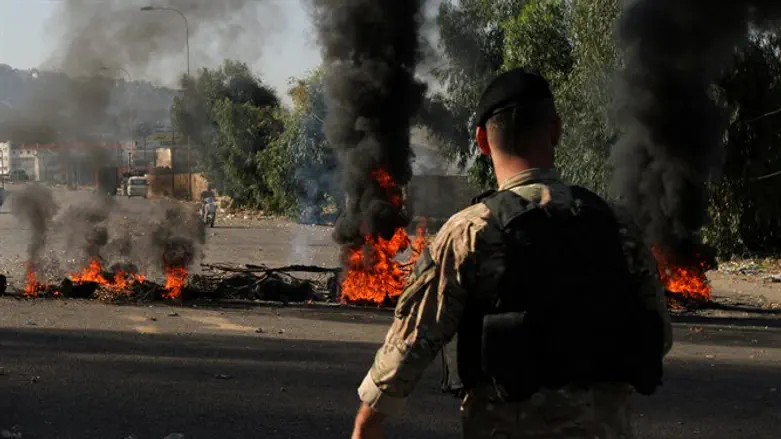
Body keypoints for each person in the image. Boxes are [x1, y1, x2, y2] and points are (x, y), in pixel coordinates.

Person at [350, 68, 673, 439]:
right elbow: (657, 336)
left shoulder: (470, 231)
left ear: (482, 142)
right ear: (555, 130)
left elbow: (413, 342)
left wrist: (367, 423)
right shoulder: (617, 225)